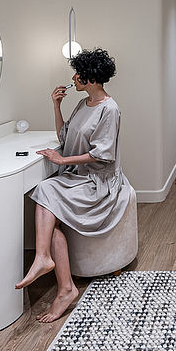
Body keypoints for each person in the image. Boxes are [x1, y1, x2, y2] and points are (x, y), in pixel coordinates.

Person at [15, 47, 133, 323]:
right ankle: (64, 285)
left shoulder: (109, 109)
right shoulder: (84, 103)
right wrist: (56, 106)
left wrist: (62, 159)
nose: (74, 78)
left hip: (97, 183)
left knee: (45, 192)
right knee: (47, 202)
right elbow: (65, 135)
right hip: (77, 176)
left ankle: (48, 265)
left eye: (78, 74)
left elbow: (101, 154)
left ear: (90, 77)